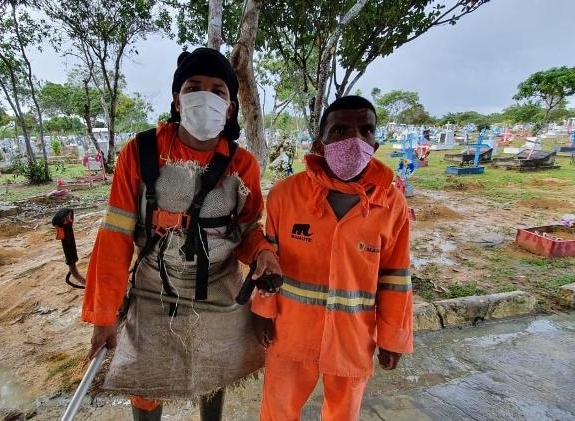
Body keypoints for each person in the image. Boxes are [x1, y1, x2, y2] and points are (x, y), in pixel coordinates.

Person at [82, 47, 281, 421]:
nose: (204, 96)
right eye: (193, 87)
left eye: (218, 90)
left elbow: (248, 229)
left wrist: (262, 253)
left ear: (231, 107)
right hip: (152, 289)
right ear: (177, 99)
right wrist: (103, 317)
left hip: (221, 290)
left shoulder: (243, 164)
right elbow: (115, 236)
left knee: (214, 372)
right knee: (146, 380)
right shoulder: (140, 152)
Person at [252, 95, 413, 420]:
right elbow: (268, 260)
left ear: (375, 141)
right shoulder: (285, 195)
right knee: (277, 411)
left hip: (353, 338)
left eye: (365, 130)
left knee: (343, 414)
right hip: (291, 334)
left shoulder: (392, 204)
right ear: (319, 143)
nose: (354, 140)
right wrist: (262, 311)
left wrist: (393, 336)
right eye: (340, 130)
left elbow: (396, 277)